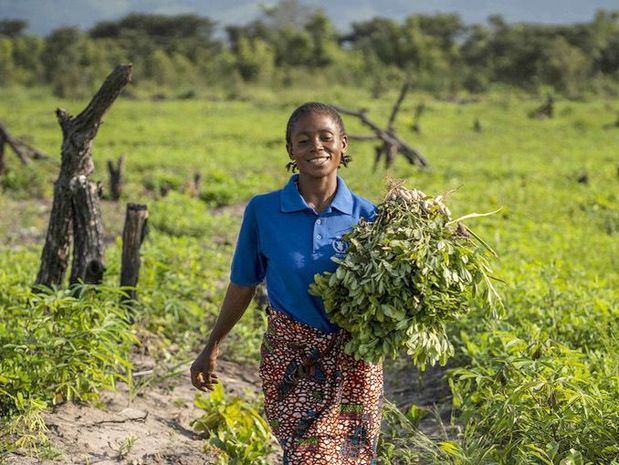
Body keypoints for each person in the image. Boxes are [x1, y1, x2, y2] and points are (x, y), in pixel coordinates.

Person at [190, 102, 383, 465]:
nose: (316, 147)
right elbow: (243, 283)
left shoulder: (369, 217)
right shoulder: (264, 211)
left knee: (355, 458)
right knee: (309, 455)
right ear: (290, 150)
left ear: (343, 143)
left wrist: (444, 238)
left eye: (326, 137)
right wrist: (211, 346)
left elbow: (397, 287)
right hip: (292, 358)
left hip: (356, 360)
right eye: (304, 140)